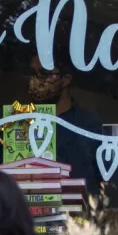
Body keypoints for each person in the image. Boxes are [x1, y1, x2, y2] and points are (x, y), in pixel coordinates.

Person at [28, 54, 102, 194]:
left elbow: (102, 183)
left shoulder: (88, 126)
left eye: (44, 73)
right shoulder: (18, 124)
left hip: (76, 213)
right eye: (32, 73)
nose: (36, 80)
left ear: (65, 80)